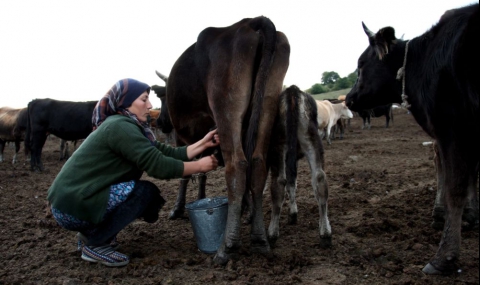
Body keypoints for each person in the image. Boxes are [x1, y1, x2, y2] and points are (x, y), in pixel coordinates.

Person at [47, 78, 220, 267]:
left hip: (72, 202)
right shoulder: (120, 127)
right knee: (145, 193)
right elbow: (159, 166)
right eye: (144, 99)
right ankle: (96, 245)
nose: (150, 105)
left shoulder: (127, 126)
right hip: (71, 206)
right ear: (125, 103)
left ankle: (90, 235)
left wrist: (204, 142)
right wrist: (200, 166)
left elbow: (167, 152)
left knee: (137, 192)